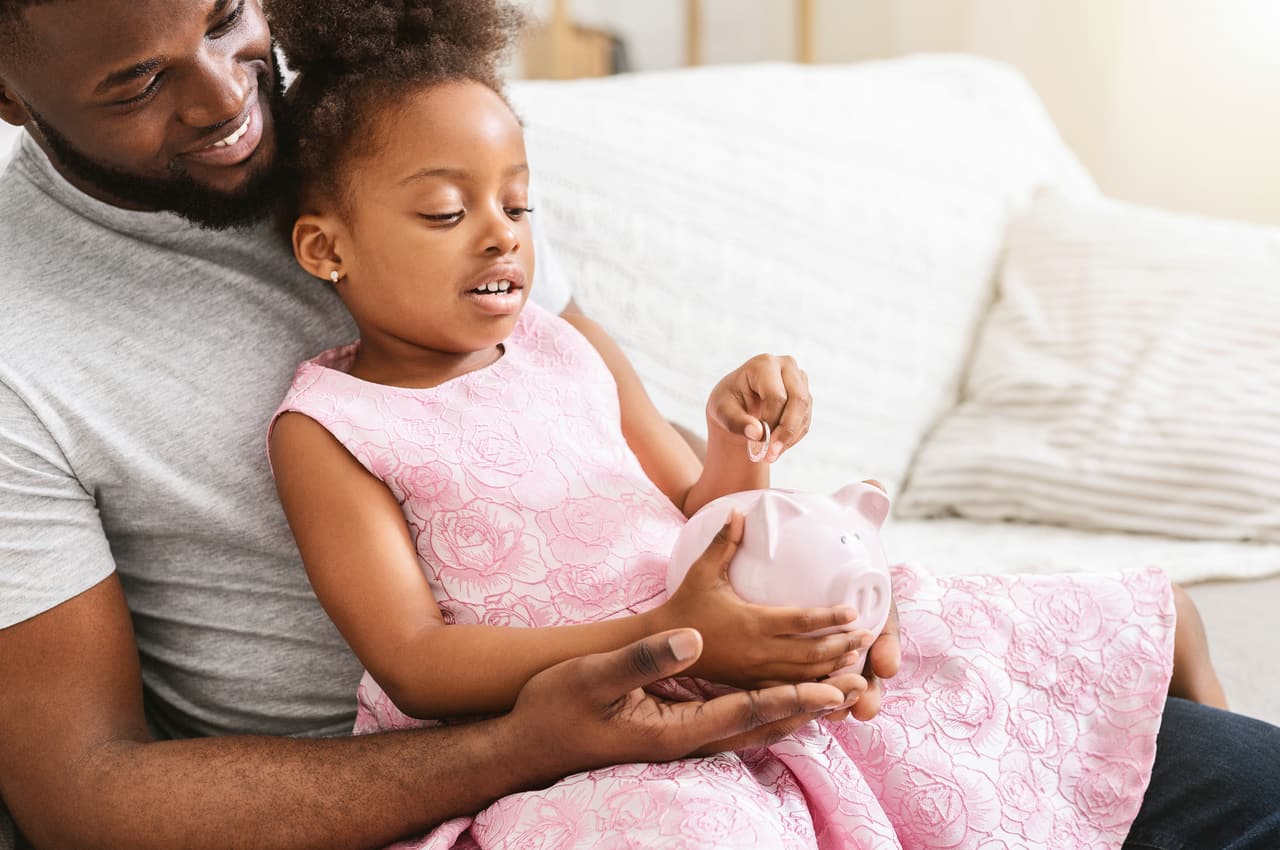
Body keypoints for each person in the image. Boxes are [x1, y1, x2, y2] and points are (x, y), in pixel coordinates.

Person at [0, 0, 1273, 849]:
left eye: (228, 15)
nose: (232, 96)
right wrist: (530, 738)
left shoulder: (402, 143)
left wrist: (770, 526)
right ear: (9, 87)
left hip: (726, 676)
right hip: (529, 766)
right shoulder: (54, 355)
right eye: (137, 82)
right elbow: (81, 793)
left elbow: (656, 475)